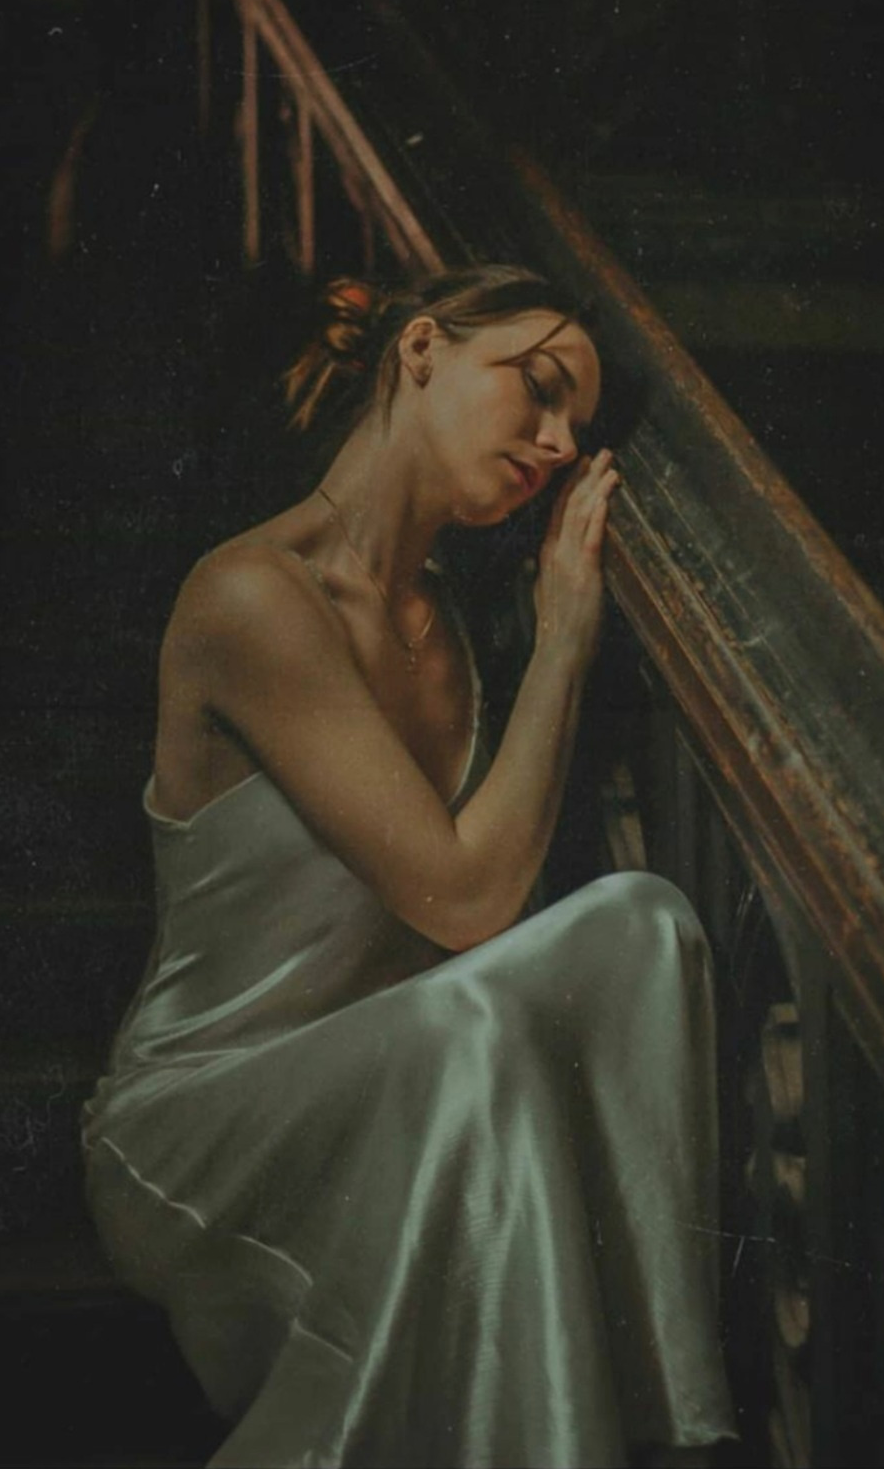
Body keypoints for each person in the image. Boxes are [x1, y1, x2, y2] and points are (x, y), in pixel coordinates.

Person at [82, 265, 736, 1468]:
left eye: (576, 425)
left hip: (406, 1086)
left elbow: (466, 937)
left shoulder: (448, 626)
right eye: (537, 388)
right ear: (421, 349)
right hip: (205, 1120)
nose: (557, 443)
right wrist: (563, 641)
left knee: (640, 924)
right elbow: (467, 898)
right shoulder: (249, 595)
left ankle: (660, 1425)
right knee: (469, 1032)